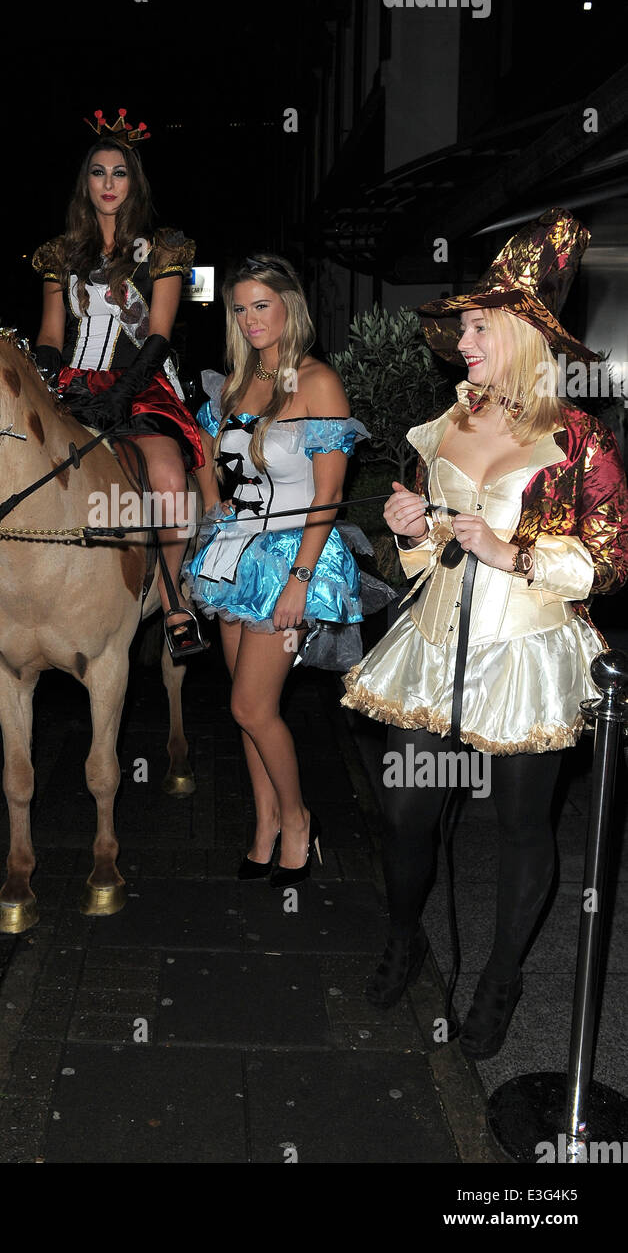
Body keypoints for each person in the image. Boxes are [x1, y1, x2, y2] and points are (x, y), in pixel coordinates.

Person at [341, 209, 628, 1059]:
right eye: (462, 327)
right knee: (404, 808)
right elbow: (426, 559)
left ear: (521, 334)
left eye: (477, 326)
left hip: (525, 656)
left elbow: (612, 562)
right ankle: (405, 934)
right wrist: (410, 527)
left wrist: (517, 551)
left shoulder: (579, 438)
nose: (461, 341)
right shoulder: (443, 429)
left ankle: (502, 979)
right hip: (434, 651)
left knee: (518, 825)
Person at [185, 253, 382, 885]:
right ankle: (265, 823)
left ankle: (299, 820)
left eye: (260, 305)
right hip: (233, 558)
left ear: (289, 306)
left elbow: (328, 497)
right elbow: (205, 457)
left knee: (251, 706)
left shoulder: (317, 383)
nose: (248, 319)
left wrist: (299, 581)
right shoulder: (234, 387)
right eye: (239, 308)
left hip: (293, 559)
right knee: (245, 706)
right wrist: (214, 509)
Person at [31, 110, 206, 658]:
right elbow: (52, 334)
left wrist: (120, 397)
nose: (108, 184)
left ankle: (172, 592)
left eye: (120, 173)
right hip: (74, 383)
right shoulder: (61, 254)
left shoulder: (165, 250)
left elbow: (158, 335)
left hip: (143, 381)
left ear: (134, 183)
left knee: (170, 477)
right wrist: (47, 383)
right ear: (86, 184)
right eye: (99, 173)